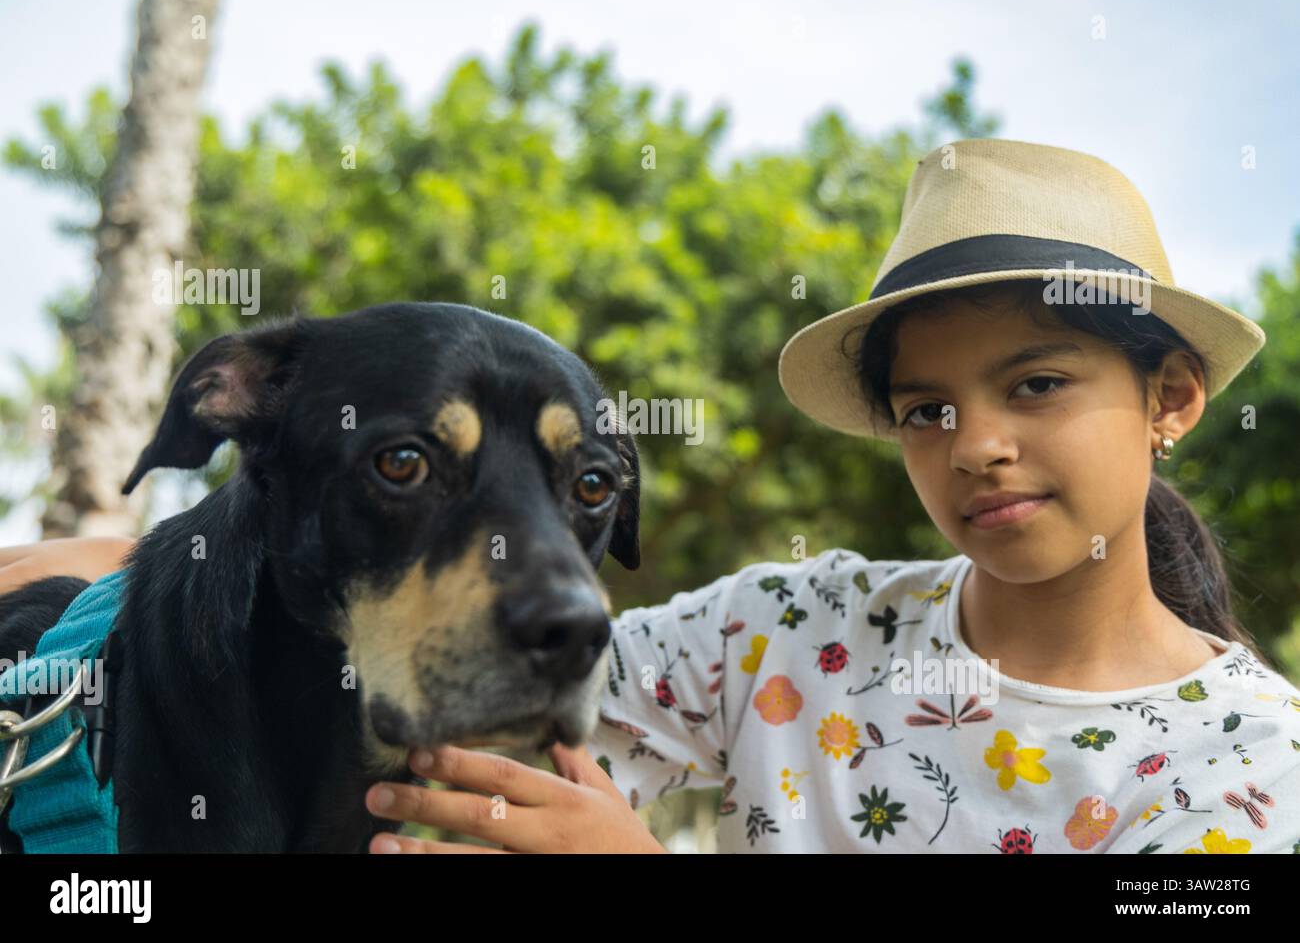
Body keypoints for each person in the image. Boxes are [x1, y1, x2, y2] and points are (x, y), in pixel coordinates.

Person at [6, 139, 1299, 854]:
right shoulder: (797, 635)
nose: (980, 446)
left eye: (1037, 385)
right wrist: (67, 618)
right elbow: (321, 597)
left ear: (1173, 398)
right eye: (929, 409)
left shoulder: (1252, 772)